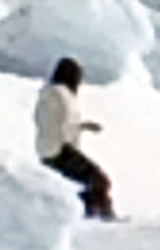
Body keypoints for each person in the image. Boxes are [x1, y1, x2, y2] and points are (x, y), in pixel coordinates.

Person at [35, 58, 115, 219]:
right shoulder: (58, 94)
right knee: (99, 180)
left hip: (50, 149)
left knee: (86, 183)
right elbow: (60, 122)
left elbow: (55, 121)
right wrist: (76, 128)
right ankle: (103, 215)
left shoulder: (52, 94)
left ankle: (89, 215)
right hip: (60, 149)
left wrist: (83, 126)